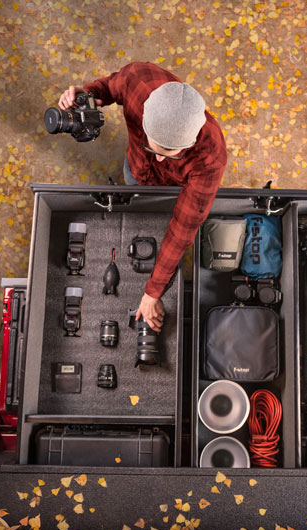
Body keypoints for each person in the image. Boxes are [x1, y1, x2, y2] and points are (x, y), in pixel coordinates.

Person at [58, 62, 227, 332]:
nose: (159, 158)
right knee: (132, 184)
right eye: (154, 146)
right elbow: (107, 89)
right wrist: (85, 94)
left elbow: (183, 229)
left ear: (191, 141)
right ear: (145, 114)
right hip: (134, 169)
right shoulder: (137, 79)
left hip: (174, 190)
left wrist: (152, 293)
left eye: (171, 153)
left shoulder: (210, 157)